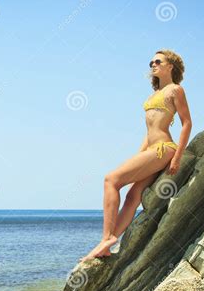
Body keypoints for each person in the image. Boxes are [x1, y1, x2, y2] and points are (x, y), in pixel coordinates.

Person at [80, 49, 192, 262]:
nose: (152, 65)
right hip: (151, 151)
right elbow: (148, 131)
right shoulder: (154, 94)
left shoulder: (175, 90)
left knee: (111, 179)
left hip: (164, 149)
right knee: (133, 196)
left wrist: (177, 157)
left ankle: (106, 238)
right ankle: (108, 244)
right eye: (151, 62)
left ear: (171, 66)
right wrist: (139, 156)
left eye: (158, 61)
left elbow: (187, 123)